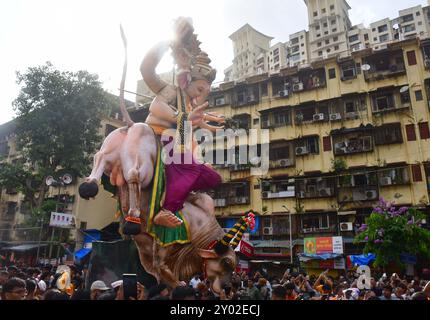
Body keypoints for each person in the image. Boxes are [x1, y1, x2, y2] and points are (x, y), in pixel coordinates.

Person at [141, 17, 224, 229]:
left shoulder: (189, 105)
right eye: (199, 90)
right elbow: (148, 76)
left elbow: (184, 134)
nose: (201, 97)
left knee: (213, 177)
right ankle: (166, 209)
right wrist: (167, 43)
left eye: (205, 93)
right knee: (191, 169)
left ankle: (180, 195)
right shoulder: (171, 91)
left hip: (178, 146)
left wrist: (198, 124)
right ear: (186, 80)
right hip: (160, 137)